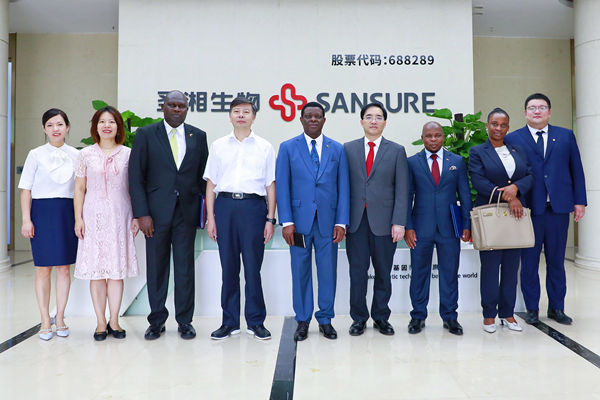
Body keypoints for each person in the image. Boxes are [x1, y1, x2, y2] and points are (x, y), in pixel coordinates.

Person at [129, 90, 209, 340]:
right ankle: (156, 321)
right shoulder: (146, 134)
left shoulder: (198, 136)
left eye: (181, 106)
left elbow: (203, 178)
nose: (176, 109)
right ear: (163, 107)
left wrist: (203, 212)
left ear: (187, 109)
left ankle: (185, 321)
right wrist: (142, 213)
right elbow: (136, 177)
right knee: (157, 269)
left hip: (186, 214)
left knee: (185, 269)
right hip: (154, 216)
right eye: (172, 105)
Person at [505, 93, 586, 325]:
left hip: (558, 209)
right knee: (529, 263)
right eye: (532, 108)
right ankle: (532, 308)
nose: (537, 111)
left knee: (556, 261)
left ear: (549, 112)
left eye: (542, 107)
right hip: (528, 210)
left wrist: (579, 201)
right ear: (525, 113)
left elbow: (576, 169)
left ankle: (557, 308)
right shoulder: (513, 138)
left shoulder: (565, 135)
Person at [204, 97, 276, 340]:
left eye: (246, 112)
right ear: (230, 116)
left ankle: (256, 322)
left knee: (253, 268)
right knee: (229, 268)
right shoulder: (218, 146)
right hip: (225, 207)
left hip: (253, 208)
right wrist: (211, 218)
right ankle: (229, 322)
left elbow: (270, 186)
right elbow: (211, 184)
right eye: (237, 111)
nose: (241, 115)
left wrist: (270, 219)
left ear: (254, 117)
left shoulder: (265, 147)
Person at [276, 101, 350, 341]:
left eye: (318, 116)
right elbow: (283, 187)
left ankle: (325, 319)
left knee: (328, 271)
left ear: (324, 120)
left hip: (329, 223)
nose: (313, 120)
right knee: (300, 271)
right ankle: (303, 319)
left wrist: (341, 222)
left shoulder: (337, 149)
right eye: (308, 116)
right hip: (298, 223)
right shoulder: (288, 148)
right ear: (301, 120)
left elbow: (344, 188)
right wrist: (286, 221)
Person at [73, 106, 139, 341]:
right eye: (102, 121)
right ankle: (100, 322)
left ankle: (114, 320)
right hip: (92, 217)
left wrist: (136, 216)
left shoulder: (128, 154)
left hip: (120, 216)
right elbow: (79, 188)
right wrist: (78, 218)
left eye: (111, 121)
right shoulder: (85, 154)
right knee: (97, 271)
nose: (107, 125)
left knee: (116, 271)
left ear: (118, 127)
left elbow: (135, 189)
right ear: (96, 126)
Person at [343, 102, 409, 336]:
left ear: (385, 122)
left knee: (383, 272)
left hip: (385, 223)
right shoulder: (348, 149)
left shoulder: (396, 151)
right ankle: (358, 318)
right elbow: (343, 187)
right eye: (369, 117)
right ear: (361, 121)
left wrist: (399, 222)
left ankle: (381, 317)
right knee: (357, 273)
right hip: (356, 222)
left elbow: (402, 189)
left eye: (378, 117)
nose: (373, 121)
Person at [404, 121, 472, 335]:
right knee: (419, 274)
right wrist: (408, 227)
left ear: (443, 137)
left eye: (437, 135)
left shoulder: (457, 161)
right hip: (420, 228)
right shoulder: (412, 162)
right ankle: (417, 316)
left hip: (449, 227)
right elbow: (406, 196)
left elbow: (465, 194)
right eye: (429, 136)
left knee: (449, 273)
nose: (433, 140)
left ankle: (450, 317)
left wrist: (467, 224)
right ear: (422, 138)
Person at [470, 108, 534, 333]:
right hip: (491, 216)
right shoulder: (478, 151)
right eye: (494, 124)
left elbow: (529, 175)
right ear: (487, 125)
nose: (498, 128)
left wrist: (516, 188)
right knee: (490, 268)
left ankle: (507, 314)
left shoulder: (517, 150)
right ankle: (489, 315)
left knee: (511, 268)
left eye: (503, 125)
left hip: (515, 217)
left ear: (508, 127)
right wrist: (509, 196)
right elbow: (479, 181)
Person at [19, 108, 79, 341]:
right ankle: (45, 319)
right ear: (44, 128)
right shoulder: (35, 154)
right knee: (43, 269)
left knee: (64, 268)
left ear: (67, 127)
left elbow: (81, 190)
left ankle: (60, 317)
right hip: (41, 213)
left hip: (67, 212)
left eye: (60, 124)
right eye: (50, 125)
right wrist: (26, 219)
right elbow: (26, 189)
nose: (56, 129)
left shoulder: (76, 155)